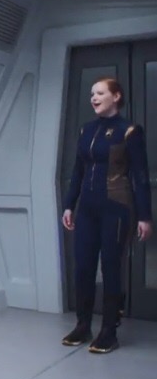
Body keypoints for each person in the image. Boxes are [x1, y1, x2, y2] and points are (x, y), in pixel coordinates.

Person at [61, 77, 152, 354]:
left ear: (116, 96)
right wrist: (69, 205)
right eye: (92, 93)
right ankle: (83, 325)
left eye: (100, 93)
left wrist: (144, 216)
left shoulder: (129, 131)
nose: (94, 98)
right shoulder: (86, 130)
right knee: (83, 267)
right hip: (87, 209)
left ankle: (109, 331)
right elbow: (77, 171)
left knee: (111, 267)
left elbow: (140, 176)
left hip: (116, 208)